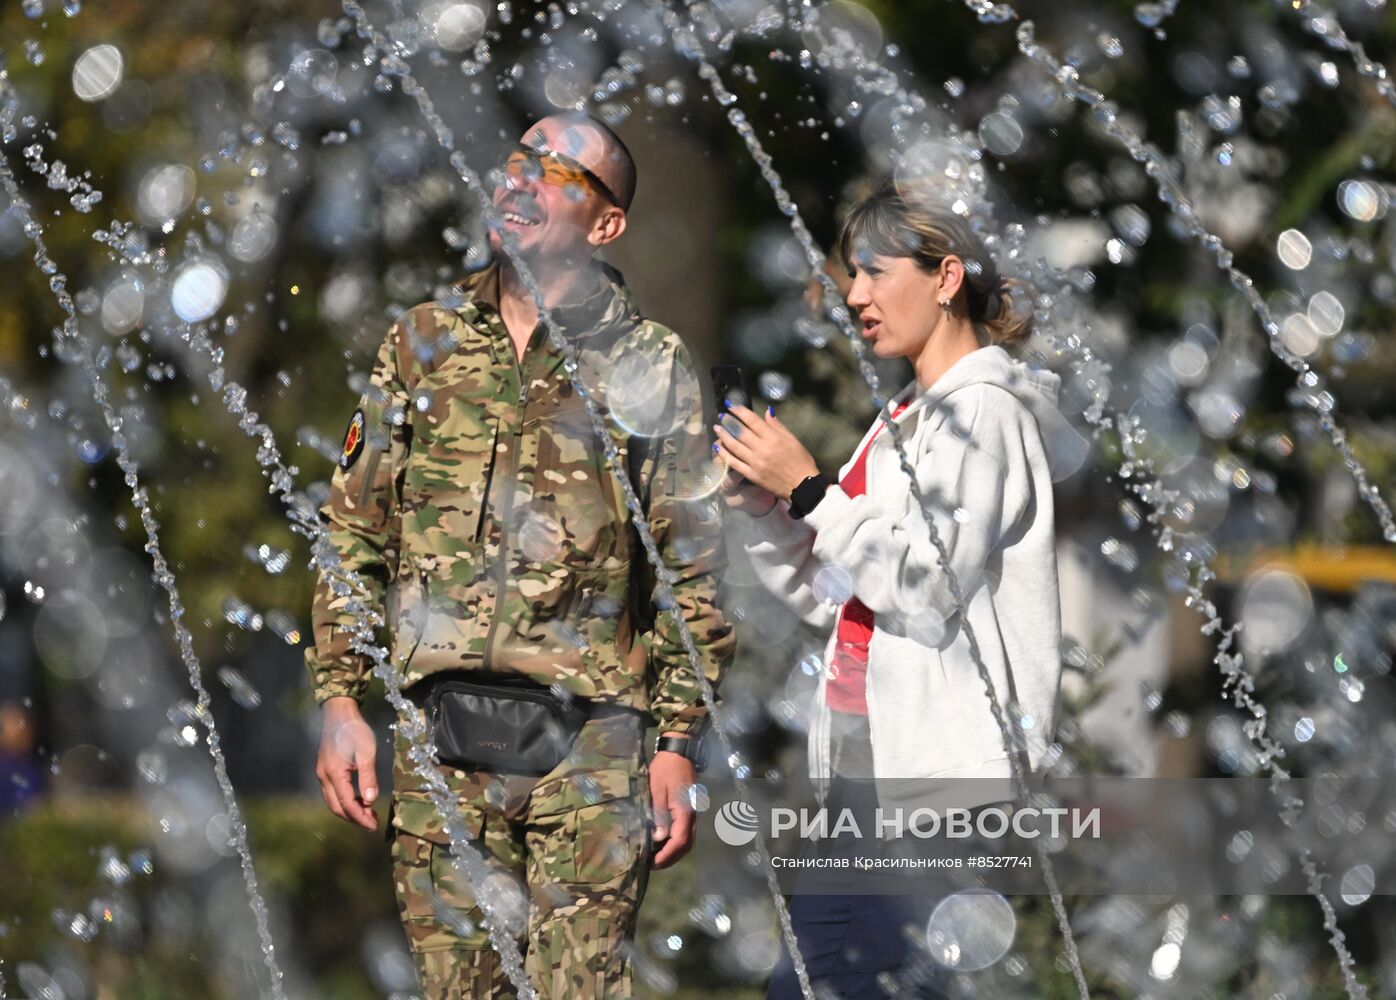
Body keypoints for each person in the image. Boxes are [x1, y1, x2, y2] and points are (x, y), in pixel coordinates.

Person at [307, 112, 735, 999]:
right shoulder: (422, 341)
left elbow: (690, 565)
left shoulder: (650, 362)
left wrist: (679, 738)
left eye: (553, 172)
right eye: (513, 162)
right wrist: (342, 698)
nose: (518, 181)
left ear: (606, 223)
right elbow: (352, 529)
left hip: (591, 747)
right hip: (442, 739)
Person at [717, 178, 1083, 999]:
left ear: (946, 277)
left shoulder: (984, 413)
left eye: (876, 272)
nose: (855, 295)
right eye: (852, 275)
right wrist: (771, 509)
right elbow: (836, 590)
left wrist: (812, 491)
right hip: (869, 778)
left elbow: (926, 584)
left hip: (940, 786)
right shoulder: (905, 421)